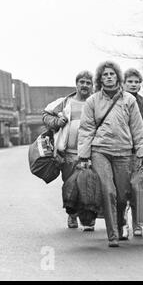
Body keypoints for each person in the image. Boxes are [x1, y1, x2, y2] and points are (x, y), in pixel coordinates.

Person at [78, 61, 143, 248]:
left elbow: (138, 128)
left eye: (112, 74)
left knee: (123, 194)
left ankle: (119, 223)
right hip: (100, 151)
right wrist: (84, 156)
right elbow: (86, 129)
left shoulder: (129, 100)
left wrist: (142, 152)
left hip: (124, 152)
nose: (108, 77)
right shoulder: (92, 101)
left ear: (118, 77)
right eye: (105, 75)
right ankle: (113, 235)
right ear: (100, 79)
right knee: (108, 190)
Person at [42, 70, 94, 231]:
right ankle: (72, 215)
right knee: (70, 184)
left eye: (88, 83)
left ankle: (88, 217)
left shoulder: (95, 102)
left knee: (88, 185)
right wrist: (57, 121)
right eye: (82, 82)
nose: (84, 85)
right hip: (68, 154)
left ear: (92, 86)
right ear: (76, 84)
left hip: (91, 153)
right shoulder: (65, 102)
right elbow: (45, 115)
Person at [122, 67, 143, 238]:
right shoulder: (116, 102)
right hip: (120, 151)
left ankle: (137, 223)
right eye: (130, 82)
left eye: (136, 82)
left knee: (137, 188)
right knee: (121, 189)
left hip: (139, 153)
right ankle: (122, 221)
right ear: (123, 83)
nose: (133, 85)